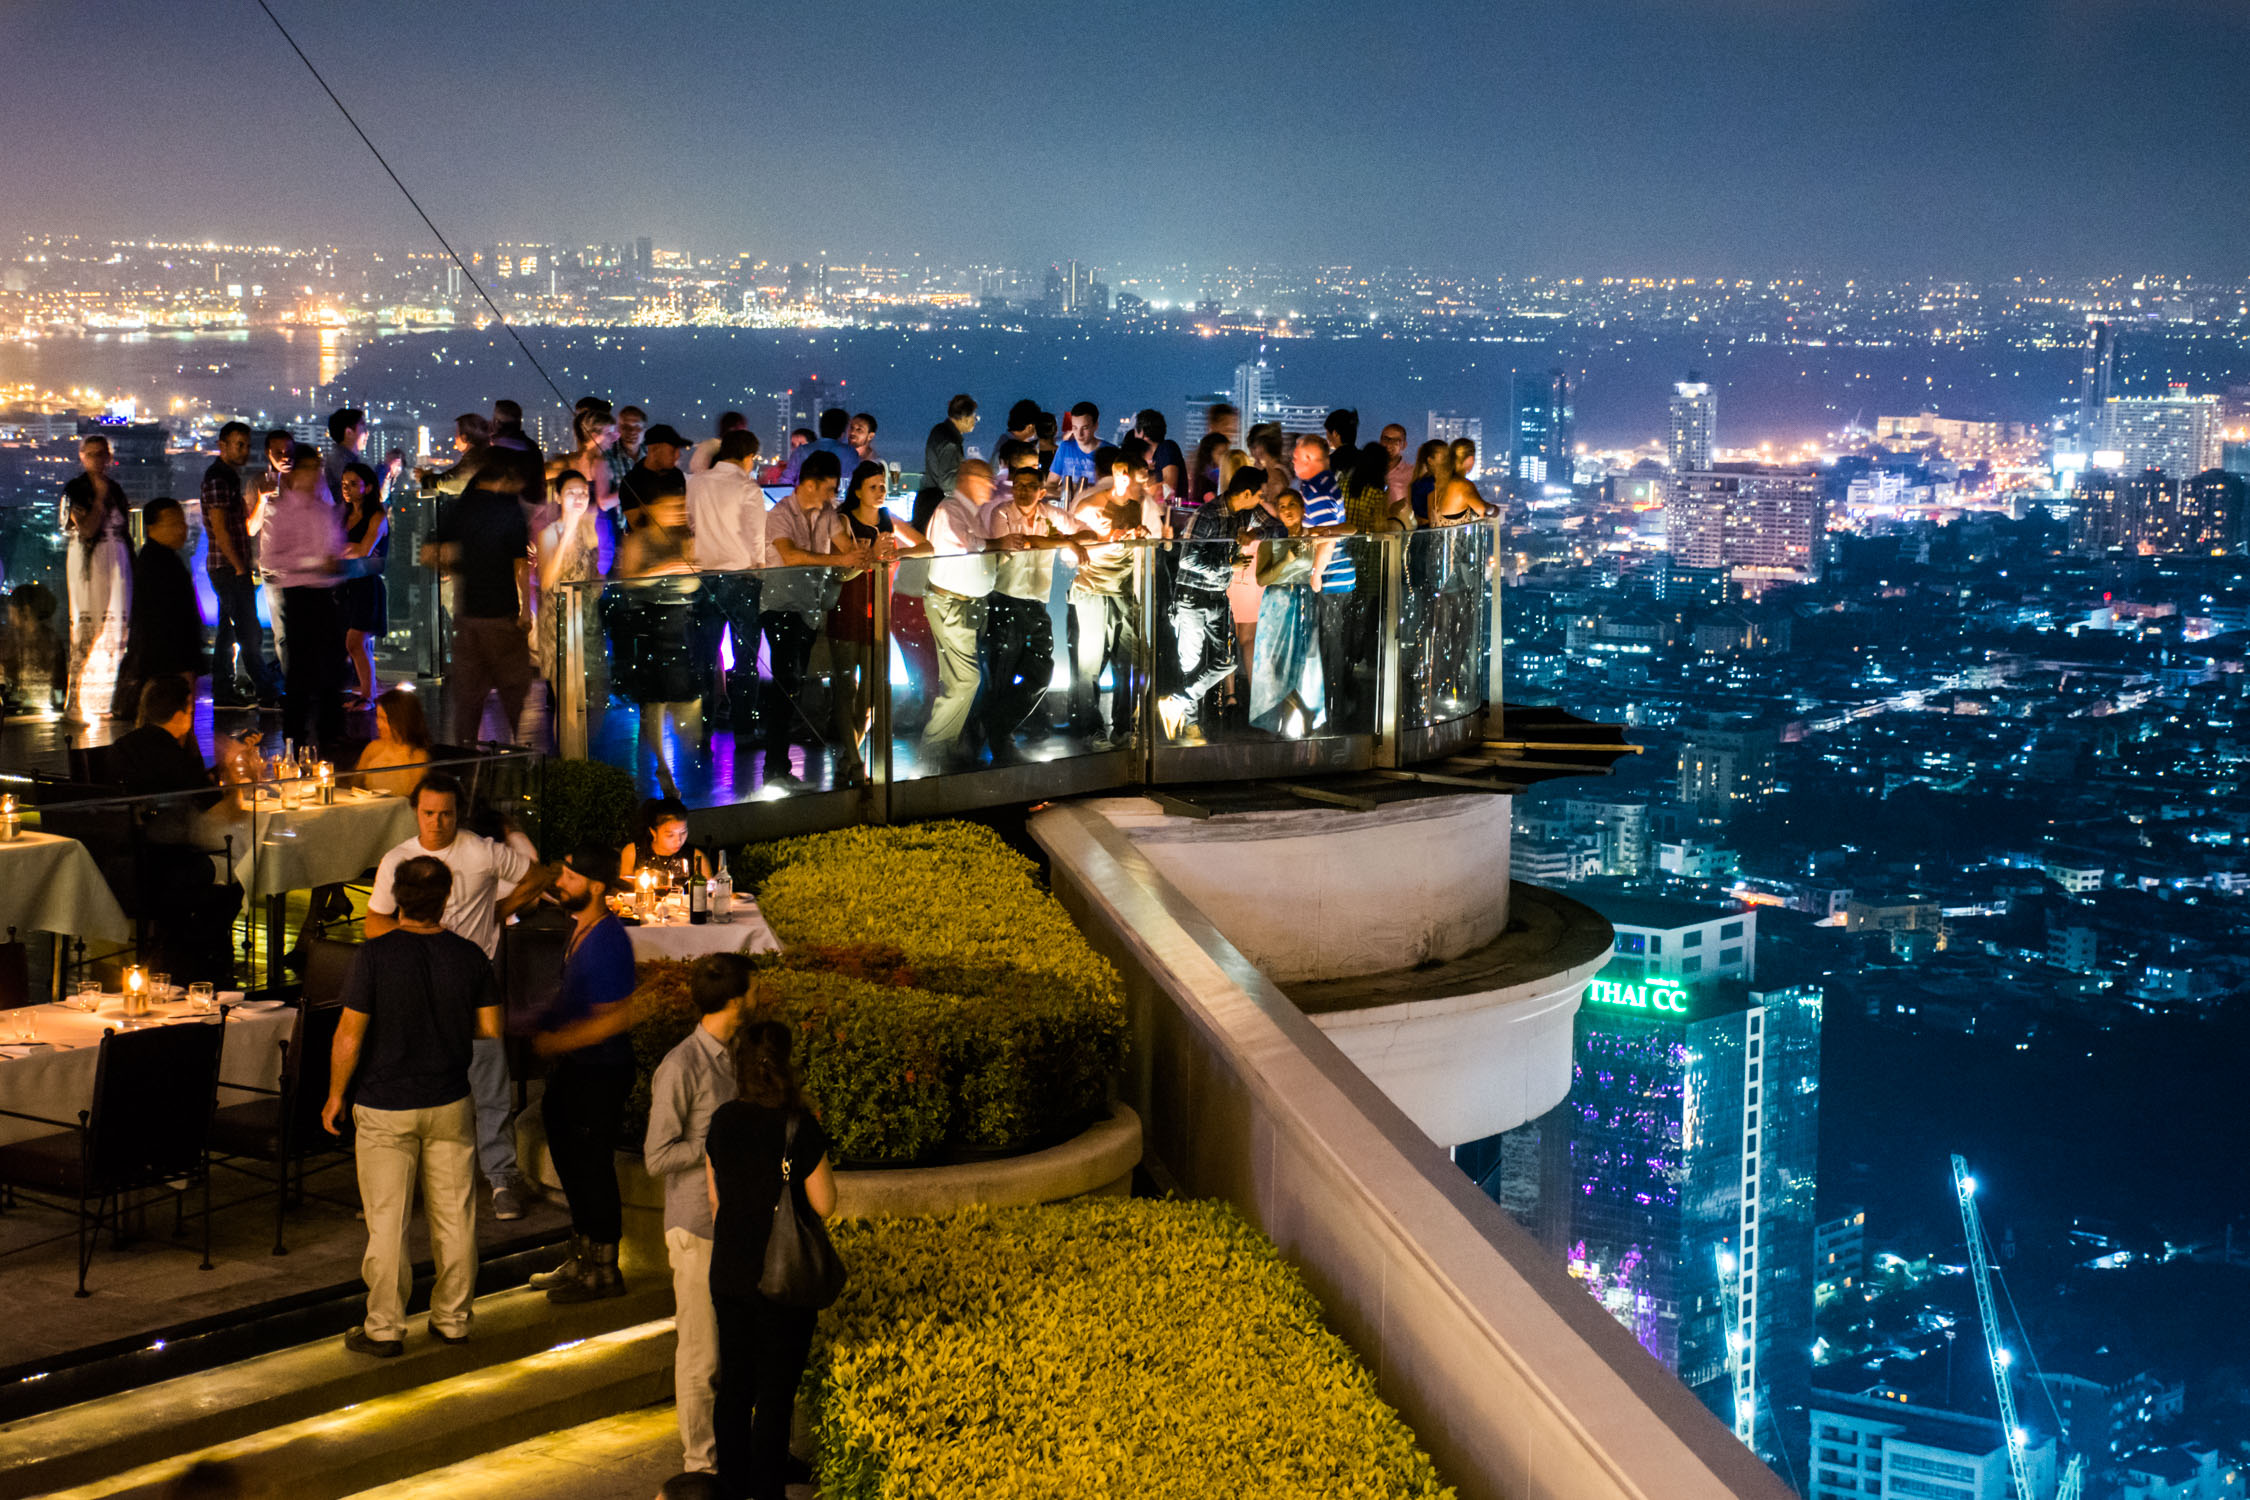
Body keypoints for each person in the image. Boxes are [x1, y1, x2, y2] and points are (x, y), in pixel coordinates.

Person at [323, 855, 502, 1357]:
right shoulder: (470, 957)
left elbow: (348, 1036)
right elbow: (490, 1030)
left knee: (387, 1222)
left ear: (397, 899)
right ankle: (453, 1319)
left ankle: (384, 1328)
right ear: (447, 898)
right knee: (455, 1218)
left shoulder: (374, 957)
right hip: (449, 1100)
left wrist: (336, 1095)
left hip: (385, 1105)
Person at [366, 772, 555, 1220]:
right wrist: (419, 937)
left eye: (445, 814)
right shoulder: (398, 858)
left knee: (488, 1078)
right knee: (415, 1079)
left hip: (471, 981)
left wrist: (499, 911)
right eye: (428, 813)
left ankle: (501, 1178)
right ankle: (408, 1181)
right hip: (414, 983)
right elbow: (375, 924)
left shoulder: (480, 852)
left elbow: (539, 874)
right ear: (416, 812)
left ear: (457, 814)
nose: (436, 823)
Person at [705, 1019, 835, 1500]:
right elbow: (824, 1203)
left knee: (735, 1385)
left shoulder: (722, 1121)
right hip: (782, 1279)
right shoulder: (799, 1127)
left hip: (730, 1271)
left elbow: (716, 1200)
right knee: (776, 1393)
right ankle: (767, 1490)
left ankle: (730, 1487)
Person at [643, 952, 757, 1477]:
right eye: (752, 991)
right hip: (695, 1227)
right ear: (736, 1000)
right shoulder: (680, 1066)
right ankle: (699, 1466)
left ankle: (729, 1454)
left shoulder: (735, 1056)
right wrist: (717, 1142)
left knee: (732, 1352)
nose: (757, 999)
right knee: (701, 1355)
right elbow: (657, 1157)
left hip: (733, 1225)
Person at [528, 844, 641, 1302]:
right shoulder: (582, 930)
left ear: (595, 886)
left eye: (571, 877)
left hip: (601, 1072)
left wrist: (556, 1041)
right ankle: (581, 1258)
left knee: (592, 1167)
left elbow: (615, 1017)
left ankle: (603, 1270)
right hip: (577, 1069)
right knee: (573, 1163)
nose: (561, 883)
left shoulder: (608, 941)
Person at [107, 677, 242, 982]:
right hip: (165, 871)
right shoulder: (175, 756)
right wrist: (233, 770)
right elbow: (222, 810)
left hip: (113, 868)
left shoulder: (121, 748)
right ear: (183, 712)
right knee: (236, 875)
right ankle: (200, 962)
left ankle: (172, 949)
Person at [1157, 467, 1283, 743]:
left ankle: (1177, 701)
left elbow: (1279, 528)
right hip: (1192, 597)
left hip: (1218, 596)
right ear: (1246, 493)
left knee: (1227, 660)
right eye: (1260, 494)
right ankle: (1190, 724)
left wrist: (1255, 534)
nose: (1262, 499)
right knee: (1190, 663)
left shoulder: (1246, 513)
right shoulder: (1207, 514)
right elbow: (1187, 560)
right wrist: (1227, 565)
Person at [760, 451, 863, 788]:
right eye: (830, 488)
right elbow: (789, 555)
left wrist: (862, 555)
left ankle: (778, 767)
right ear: (809, 484)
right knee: (785, 687)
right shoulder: (779, 514)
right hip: (780, 607)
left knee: (791, 686)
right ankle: (775, 768)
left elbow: (846, 548)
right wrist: (841, 558)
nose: (833, 496)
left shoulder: (829, 513)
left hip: (808, 608)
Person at [421, 451, 535, 747]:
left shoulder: (460, 508)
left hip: (467, 614)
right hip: (502, 614)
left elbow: (428, 554)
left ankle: (466, 759)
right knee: (514, 692)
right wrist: (526, 610)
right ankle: (519, 758)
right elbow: (520, 565)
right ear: (506, 478)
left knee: (469, 696)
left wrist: (459, 569)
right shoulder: (510, 511)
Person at [980, 463, 1090, 765]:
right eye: (1019, 484)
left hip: (1035, 604)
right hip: (1005, 600)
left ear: (1042, 491)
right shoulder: (1001, 513)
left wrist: (1076, 540)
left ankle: (995, 724)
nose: (1023, 490)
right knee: (1001, 674)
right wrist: (1065, 541)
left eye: (1030, 485)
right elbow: (1022, 543)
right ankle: (1000, 741)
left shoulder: (1049, 515)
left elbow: (1084, 530)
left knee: (1042, 671)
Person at [830, 460, 928, 781]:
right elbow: (843, 571)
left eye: (883, 486)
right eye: (873, 486)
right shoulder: (843, 521)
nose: (880, 492)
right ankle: (855, 762)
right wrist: (873, 553)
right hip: (848, 608)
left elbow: (926, 546)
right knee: (847, 688)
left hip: (878, 611)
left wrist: (896, 555)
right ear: (857, 490)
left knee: (871, 693)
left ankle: (850, 754)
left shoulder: (889, 518)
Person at [615, 468, 702, 798]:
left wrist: (683, 574)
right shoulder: (639, 539)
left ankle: (683, 753)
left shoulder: (685, 538)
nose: (679, 512)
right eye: (672, 506)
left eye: (681, 506)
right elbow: (628, 581)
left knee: (684, 694)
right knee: (655, 700)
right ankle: (663, 767)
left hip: (680, 622)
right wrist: (665, 571)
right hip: (650, 623)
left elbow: (695, 579)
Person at [1067, 455, 1161, 749]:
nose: (1145, 488)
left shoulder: (1141, 506)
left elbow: (1154, 543)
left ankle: (1123, 727)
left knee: (1130, 661)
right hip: (1093, 591)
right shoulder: (1089, 506)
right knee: (1089, 665)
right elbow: (1072, 555)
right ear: (1122, 476)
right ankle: (1092, 729)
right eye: (1141, 481)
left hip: (1125, 591)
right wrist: (1114, 539)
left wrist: (1141, 537)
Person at [264, 446, 350, 754]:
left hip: (327, 594)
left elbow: (334, 550)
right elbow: (271, 558)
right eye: (311, 468)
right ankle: (296, 740)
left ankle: (330, 737)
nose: (316, 474)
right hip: (299, 597)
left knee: (333, 669)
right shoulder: (280, 511)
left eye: (318, 468)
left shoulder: (324, 510)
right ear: (296, 473)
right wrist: (316, 562)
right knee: (301, 672)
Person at [683, 430, 766, 733]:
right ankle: (743, 728)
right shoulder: (748, 488)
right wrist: (759, 569)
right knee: (745, 659)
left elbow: (691, 522)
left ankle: (701, 727)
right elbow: (757, 538)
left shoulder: (697, 483)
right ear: (748, 457)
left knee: (704, 658)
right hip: (742, 578)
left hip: (704, 578)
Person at [919, 457, 996, 769]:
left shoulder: (970, 512)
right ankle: (934, 750)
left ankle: (944, 749)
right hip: (951, 604)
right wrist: (998, 544)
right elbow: (966, 547)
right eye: (986, 479)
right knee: (965, 680)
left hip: (966, 605)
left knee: (960, 680)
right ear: (969, 478)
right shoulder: (951, 510)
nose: (991, 485)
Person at [1292, 434, 1366, 729]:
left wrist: (1315, 574)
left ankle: (1332, 711)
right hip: (1341, 577)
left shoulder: (1316, 490)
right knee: (1333, 644)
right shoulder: (1327, 484)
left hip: (1331, 578)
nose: (1293, 461)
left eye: (1297, 457)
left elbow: (1328, 537)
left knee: (1330, 647)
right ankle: (1335, 706)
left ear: (1310, 459)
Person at [60, 433, 134, 724]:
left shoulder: (115, 488)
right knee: (90, 625)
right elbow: (87, 529)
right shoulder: (77, 489)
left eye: (101, 454)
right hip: (90, 562)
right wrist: (100, 498)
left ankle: (107, 699)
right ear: (82, 456)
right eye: (91, 454)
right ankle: (79, 701)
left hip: (117, 560)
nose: (97, 460)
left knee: (117, 629)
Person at [203, 421, 278, 707]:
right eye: (239, 445)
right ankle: (245, 691)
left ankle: (245, 690)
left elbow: (242, 528)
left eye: (247, 445)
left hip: (231, 567)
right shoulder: (218, 479)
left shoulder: (228, 478)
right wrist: (238, 566)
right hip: (228, 568)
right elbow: (220, 528)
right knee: (239, 630)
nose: (245, 451)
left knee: (237, 630)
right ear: (223, 446)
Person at [113, 498, 206, 721]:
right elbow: (165, 621)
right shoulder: (157, 565)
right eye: (173, 523)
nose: (181, 529)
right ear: (151, 527)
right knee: (172, 722)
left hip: (165, 662)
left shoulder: (161, 560)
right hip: (168, 664)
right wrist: (185, 666)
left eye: (182, 522)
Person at [1250, 490, 1326, 735]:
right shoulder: (1271, 541)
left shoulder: (1310, 536)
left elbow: (1348, 530)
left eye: (1293, 504)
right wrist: (1285, 561)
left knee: (1299, 662)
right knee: (1273, 665)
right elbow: (1262, 579)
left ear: (1303, 508)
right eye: (1282, 506)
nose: (1287, 510)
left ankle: (1297, 718)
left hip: (1302, 600)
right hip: (1276, 604)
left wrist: (1322, 532)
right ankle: (1298, 712)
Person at [535, 470, 604, 696]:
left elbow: (595, 574)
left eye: (583, 492)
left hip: (587, 620)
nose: (579, 498)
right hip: (559, 622)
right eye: (571, 493)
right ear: (558, 497)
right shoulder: (549, 533)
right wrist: (567, 536)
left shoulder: (591, 529)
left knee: (592, 696)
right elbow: (546, 581)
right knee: (567, 697)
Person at [337, 461, 389, 707]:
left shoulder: (377, 516)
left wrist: (337, 550)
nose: (346, 489)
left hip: (367, 586)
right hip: (349, 585)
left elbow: (365, 549)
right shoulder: (345, 514)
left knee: (355, 642)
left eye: (353, 484)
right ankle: (368, 693)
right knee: (359, 643)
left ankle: (369, 695)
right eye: (344, 484)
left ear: (367, 488)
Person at [911, 394, 977, 531]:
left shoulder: (939, 430)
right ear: (964, 418)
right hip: (936, 504)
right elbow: (947, 482)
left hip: (926, 499)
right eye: (974, 417)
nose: (975, 421)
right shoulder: (951, 443)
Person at [354, 685, 431, 798]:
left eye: (384, 719)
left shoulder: (417, 757)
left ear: (401, 720)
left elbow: (414, 800)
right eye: (377, 717)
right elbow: (354, 783)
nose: (378, 724)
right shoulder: (374, 748)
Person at [620, 795, 711, 884]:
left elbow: (710, 893)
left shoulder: (697, 857)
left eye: (683, 833)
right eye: (670, 835)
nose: (678, 840)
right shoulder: (633, 852)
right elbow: (624, 891)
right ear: (653, 832)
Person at [619, 424, 690, 532]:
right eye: (672, 451)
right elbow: (636, 525)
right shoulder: (632, 481)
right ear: (654, 450)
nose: (678, 456)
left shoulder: (677, 475)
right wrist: (661, 513)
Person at [1051, 401, 1102, 496]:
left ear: (1095, 426)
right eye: (1075, 428)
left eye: (1085, 428)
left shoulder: (1108, 451)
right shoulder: (1065, 447)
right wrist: (1067, 493)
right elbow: (1051, 484)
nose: (1079, 434)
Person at [324, 407, 369, 501]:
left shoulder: (345, 458)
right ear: (349, 432)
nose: (367, 433)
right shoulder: (340, 462)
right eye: (363, 427)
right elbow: (361, 495)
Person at [687, 411, 748, 475]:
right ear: (732, 429)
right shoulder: (715, 447)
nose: (746, 435)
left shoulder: (707, 446)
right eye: (743, 429)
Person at [1379, 423, 1414, 512]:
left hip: (1399, 523)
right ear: (1380, 441)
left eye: (1395, 441)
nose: (1389, 444)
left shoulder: (1411, 474)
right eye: (1386, 439)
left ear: (1404, 445)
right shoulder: (1369, 470)